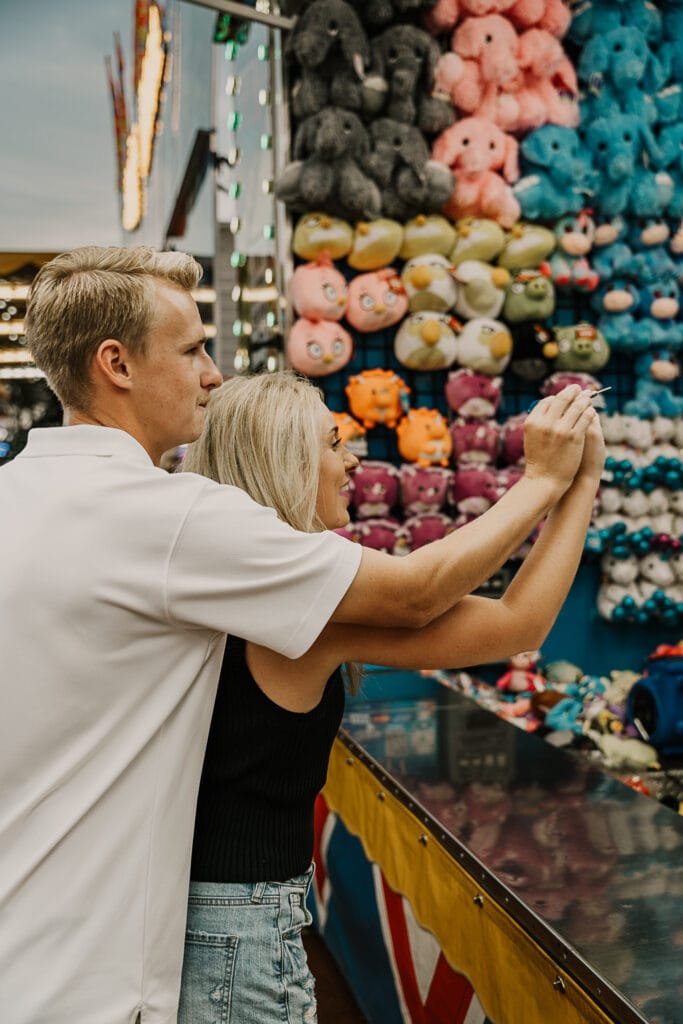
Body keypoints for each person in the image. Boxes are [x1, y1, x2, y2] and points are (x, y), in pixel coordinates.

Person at [0, 245, 597, 1024]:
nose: (211, 375)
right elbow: (425, 595)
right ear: (115, 363)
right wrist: (550, 480)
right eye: (190, 350)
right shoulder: (168, 520)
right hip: (111, 960)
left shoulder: (21, 496)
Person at [177, 370, 604, 1024]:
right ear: (280, 460)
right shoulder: (292, 607)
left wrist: (578, 480)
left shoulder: (220, 580)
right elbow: (445, 600)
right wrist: (546, 481)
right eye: (333, 442)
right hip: (243, 919)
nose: (353, 460)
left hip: (211, 908)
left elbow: (519, 625)